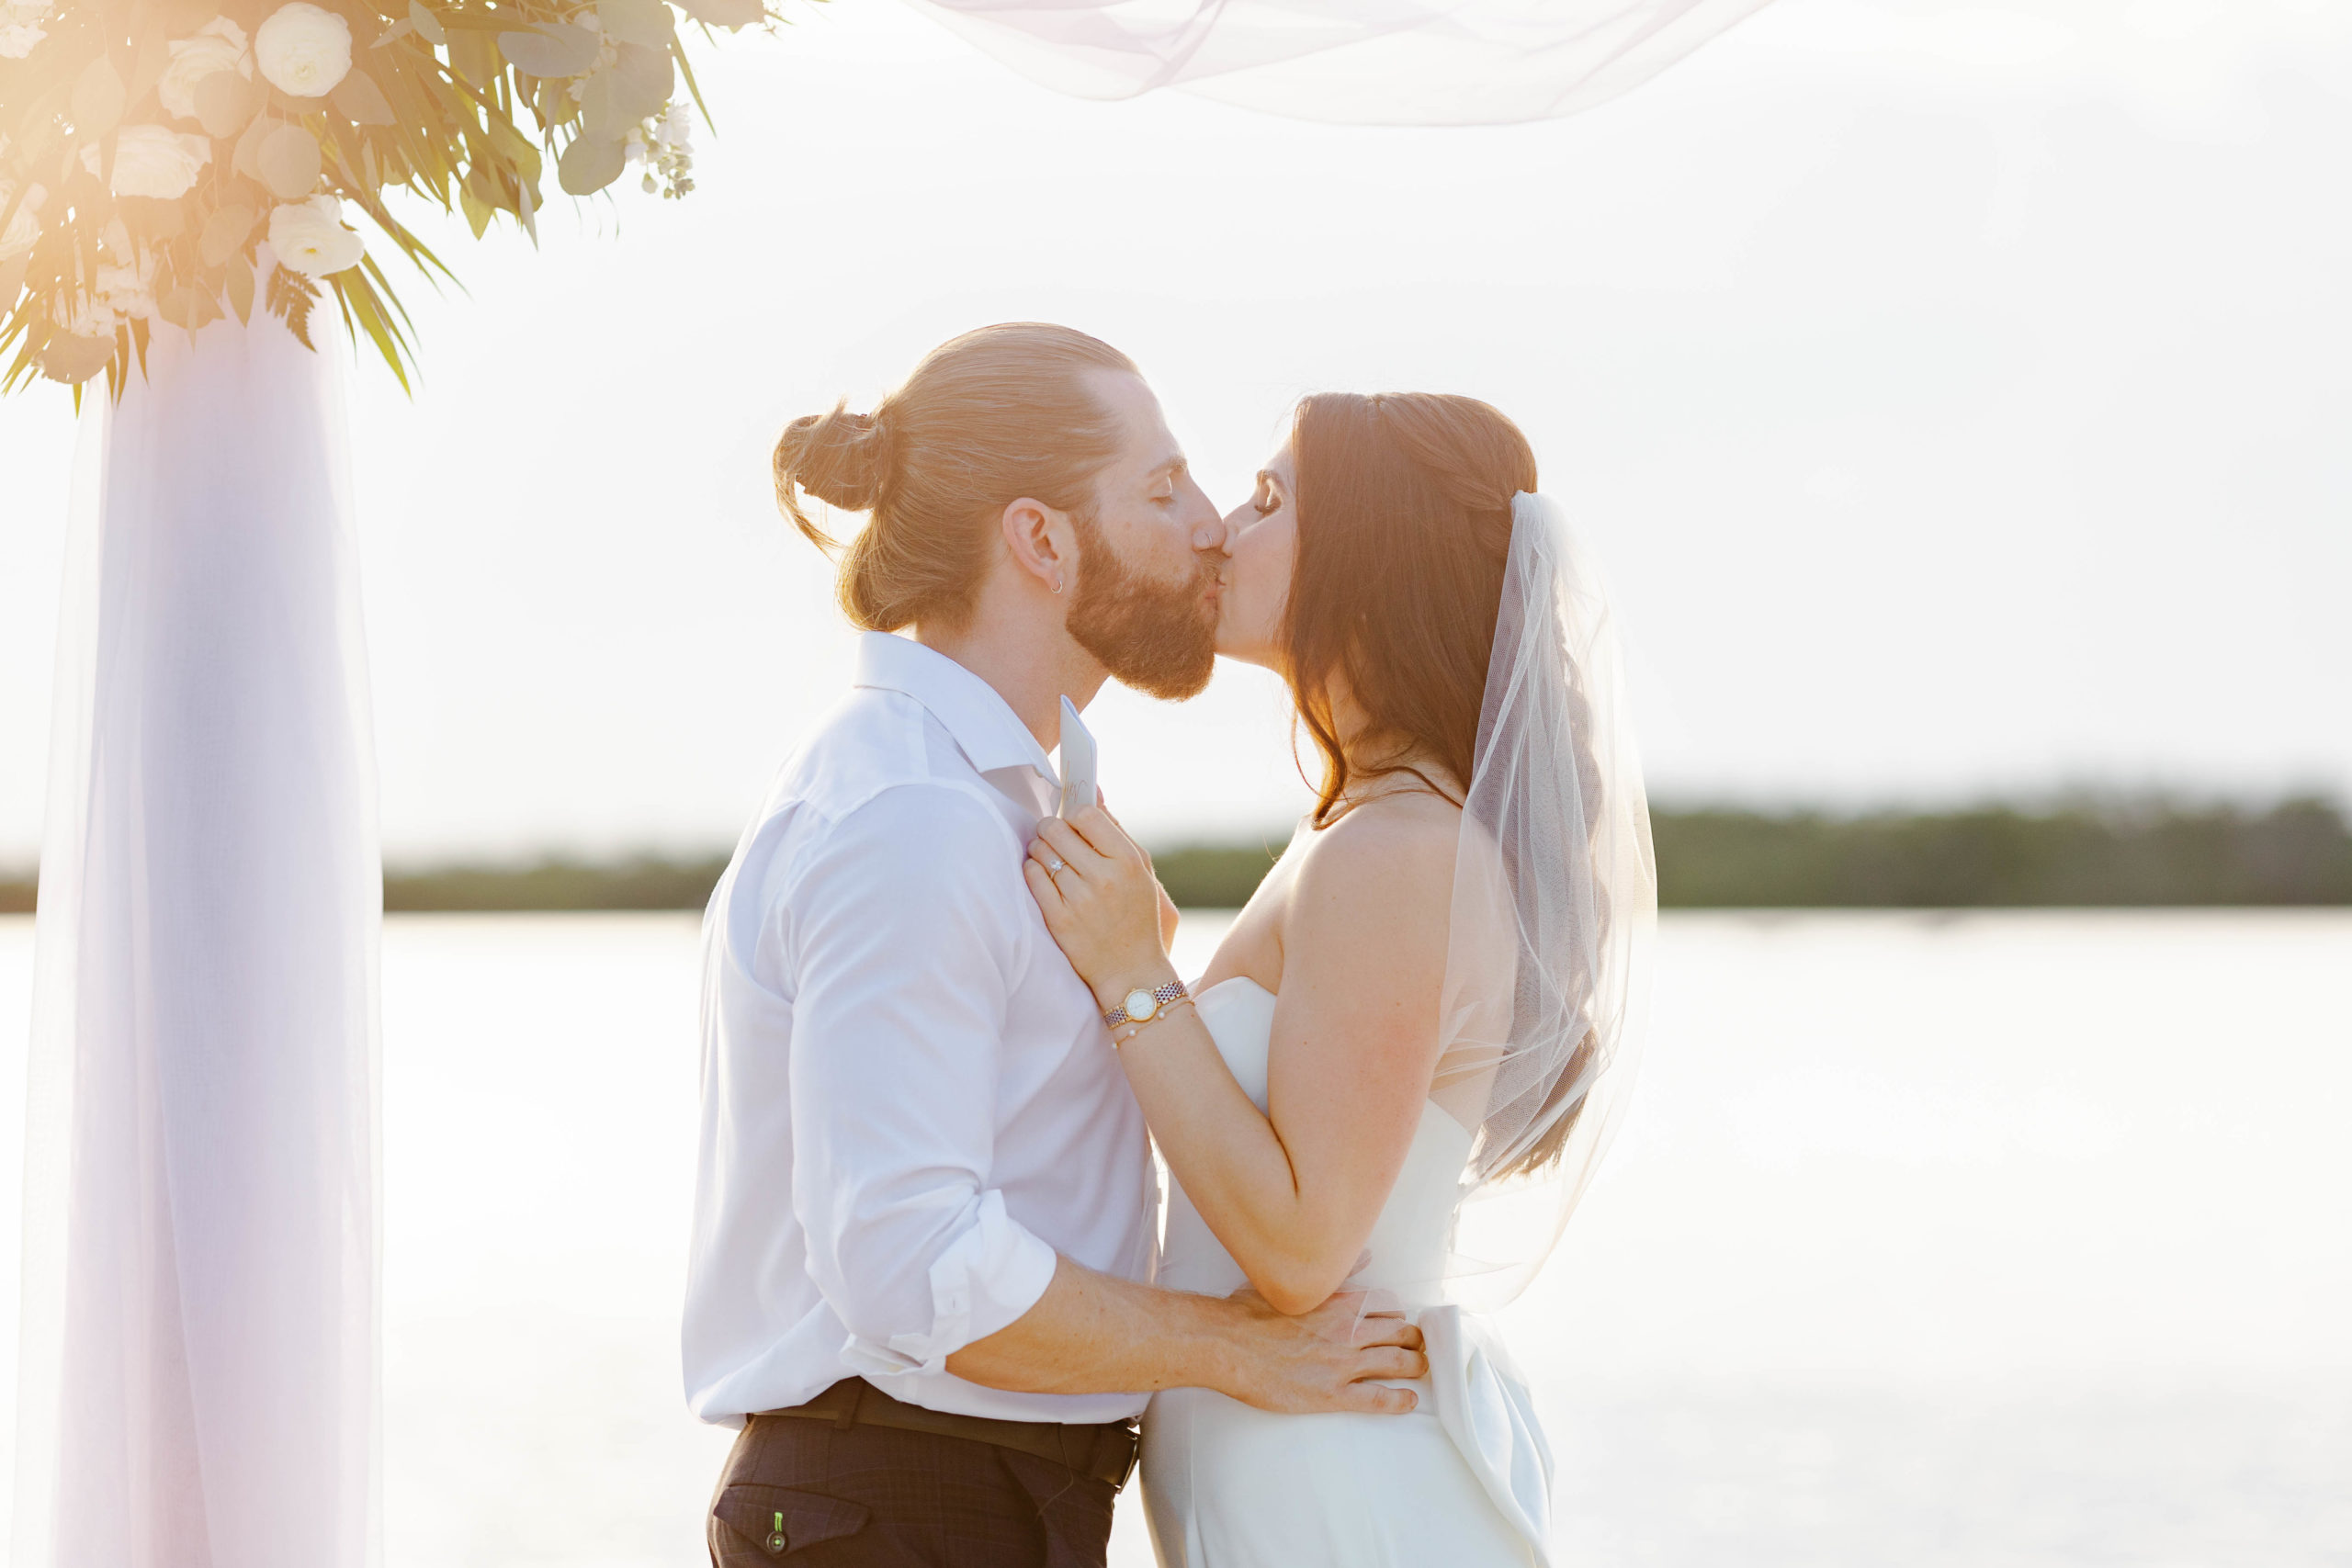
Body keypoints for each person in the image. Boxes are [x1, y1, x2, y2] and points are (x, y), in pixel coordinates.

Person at [684, 325, 1429, 1568]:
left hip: (956, 1499)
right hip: (901, 1502)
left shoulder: (1009, 799)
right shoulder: (912, 817)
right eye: (1161, 489)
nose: (1209, 525)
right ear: (1039, 537)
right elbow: (913, 1264)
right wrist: (1241, 1345)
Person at [1023, 392, 1656, 1566]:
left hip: (1337, 1484)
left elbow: (1305, 1249)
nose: (1216, 530)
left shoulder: (1397, 849)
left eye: (1267, 503)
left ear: (1370, 561)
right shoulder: (1363, 830)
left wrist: (1134, 979)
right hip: (1295, 1472)